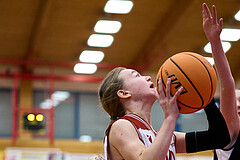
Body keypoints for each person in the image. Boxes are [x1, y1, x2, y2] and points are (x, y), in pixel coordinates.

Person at [98, 4, 231, 160]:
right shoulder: (121, 126)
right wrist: (170, 117)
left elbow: (219, 138)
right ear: (124, 93)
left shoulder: (164, 136)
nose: (147, 77)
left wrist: (205, 94)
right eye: (137, 75)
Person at [202, 3, 240, 159]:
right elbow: (227, 86)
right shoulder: (229, 135)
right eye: (234, 101)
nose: (237, 104)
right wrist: (215, 41)